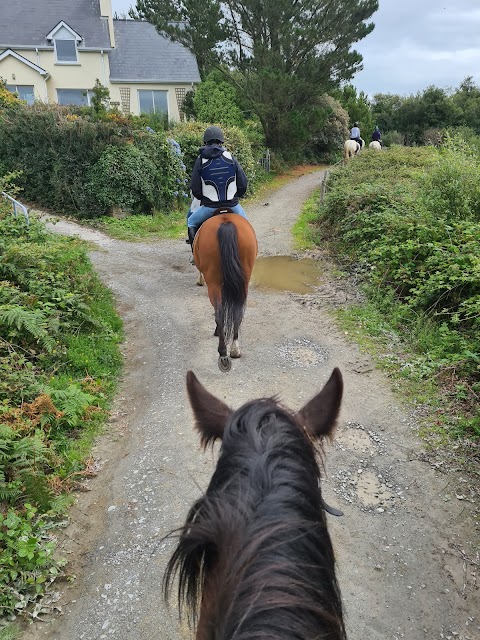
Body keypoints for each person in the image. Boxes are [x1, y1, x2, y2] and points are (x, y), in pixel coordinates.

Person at [187, 126, 248, 247]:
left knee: (191, 222)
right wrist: (236, 197)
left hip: (210, 208)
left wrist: (204, 199)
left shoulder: (200, 160)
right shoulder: (231, 157)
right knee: (247, 227)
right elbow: (242, 183)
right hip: (233, 206)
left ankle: (195, 252)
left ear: (205, 142)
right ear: (221, 142)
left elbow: (195, 189)